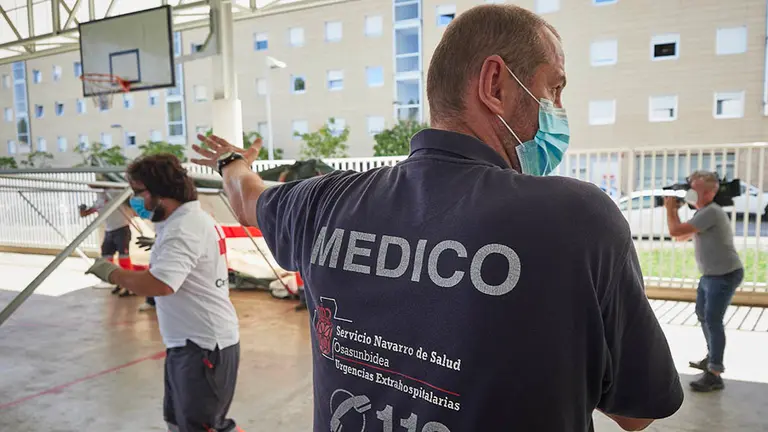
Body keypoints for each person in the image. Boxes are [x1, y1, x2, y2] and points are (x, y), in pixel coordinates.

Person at [193, 5, 683, 431]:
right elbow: (637, 410)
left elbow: (246, 196)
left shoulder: (323, 203)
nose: (558, 109)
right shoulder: (577, 219)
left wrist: (231, 162)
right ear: (495, 84)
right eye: (553, 89)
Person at [85, 154, 243, 432]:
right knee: (178, 421)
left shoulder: (184, 227)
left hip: (203, 345)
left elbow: (160, 284)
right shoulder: (184, 220)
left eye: (138, 192)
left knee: (203, 427)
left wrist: (112, 273)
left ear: (160, 192)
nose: (135, 201)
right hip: (187, 342)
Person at [665, 170, 744, 392]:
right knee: (703, 315)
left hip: (724, 275)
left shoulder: (711, 212)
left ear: (709, 193)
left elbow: (675, 231)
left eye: (695, 189)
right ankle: (711, 358)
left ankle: (715, 372)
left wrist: (670, 210)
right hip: (711, 275)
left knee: (713, 320)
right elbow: (681, 236)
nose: (689, 193)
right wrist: (674, 213)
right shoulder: (704, 213)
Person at [79, 189, 135, 296]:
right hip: (109, 230)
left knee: (124, 258)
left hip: (122, 228)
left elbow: (131, 205)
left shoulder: (115, 193)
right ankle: (119, 282)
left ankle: (130, 286)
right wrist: (82, 208)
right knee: (106, 257)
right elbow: (85, 214)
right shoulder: (99, 201)